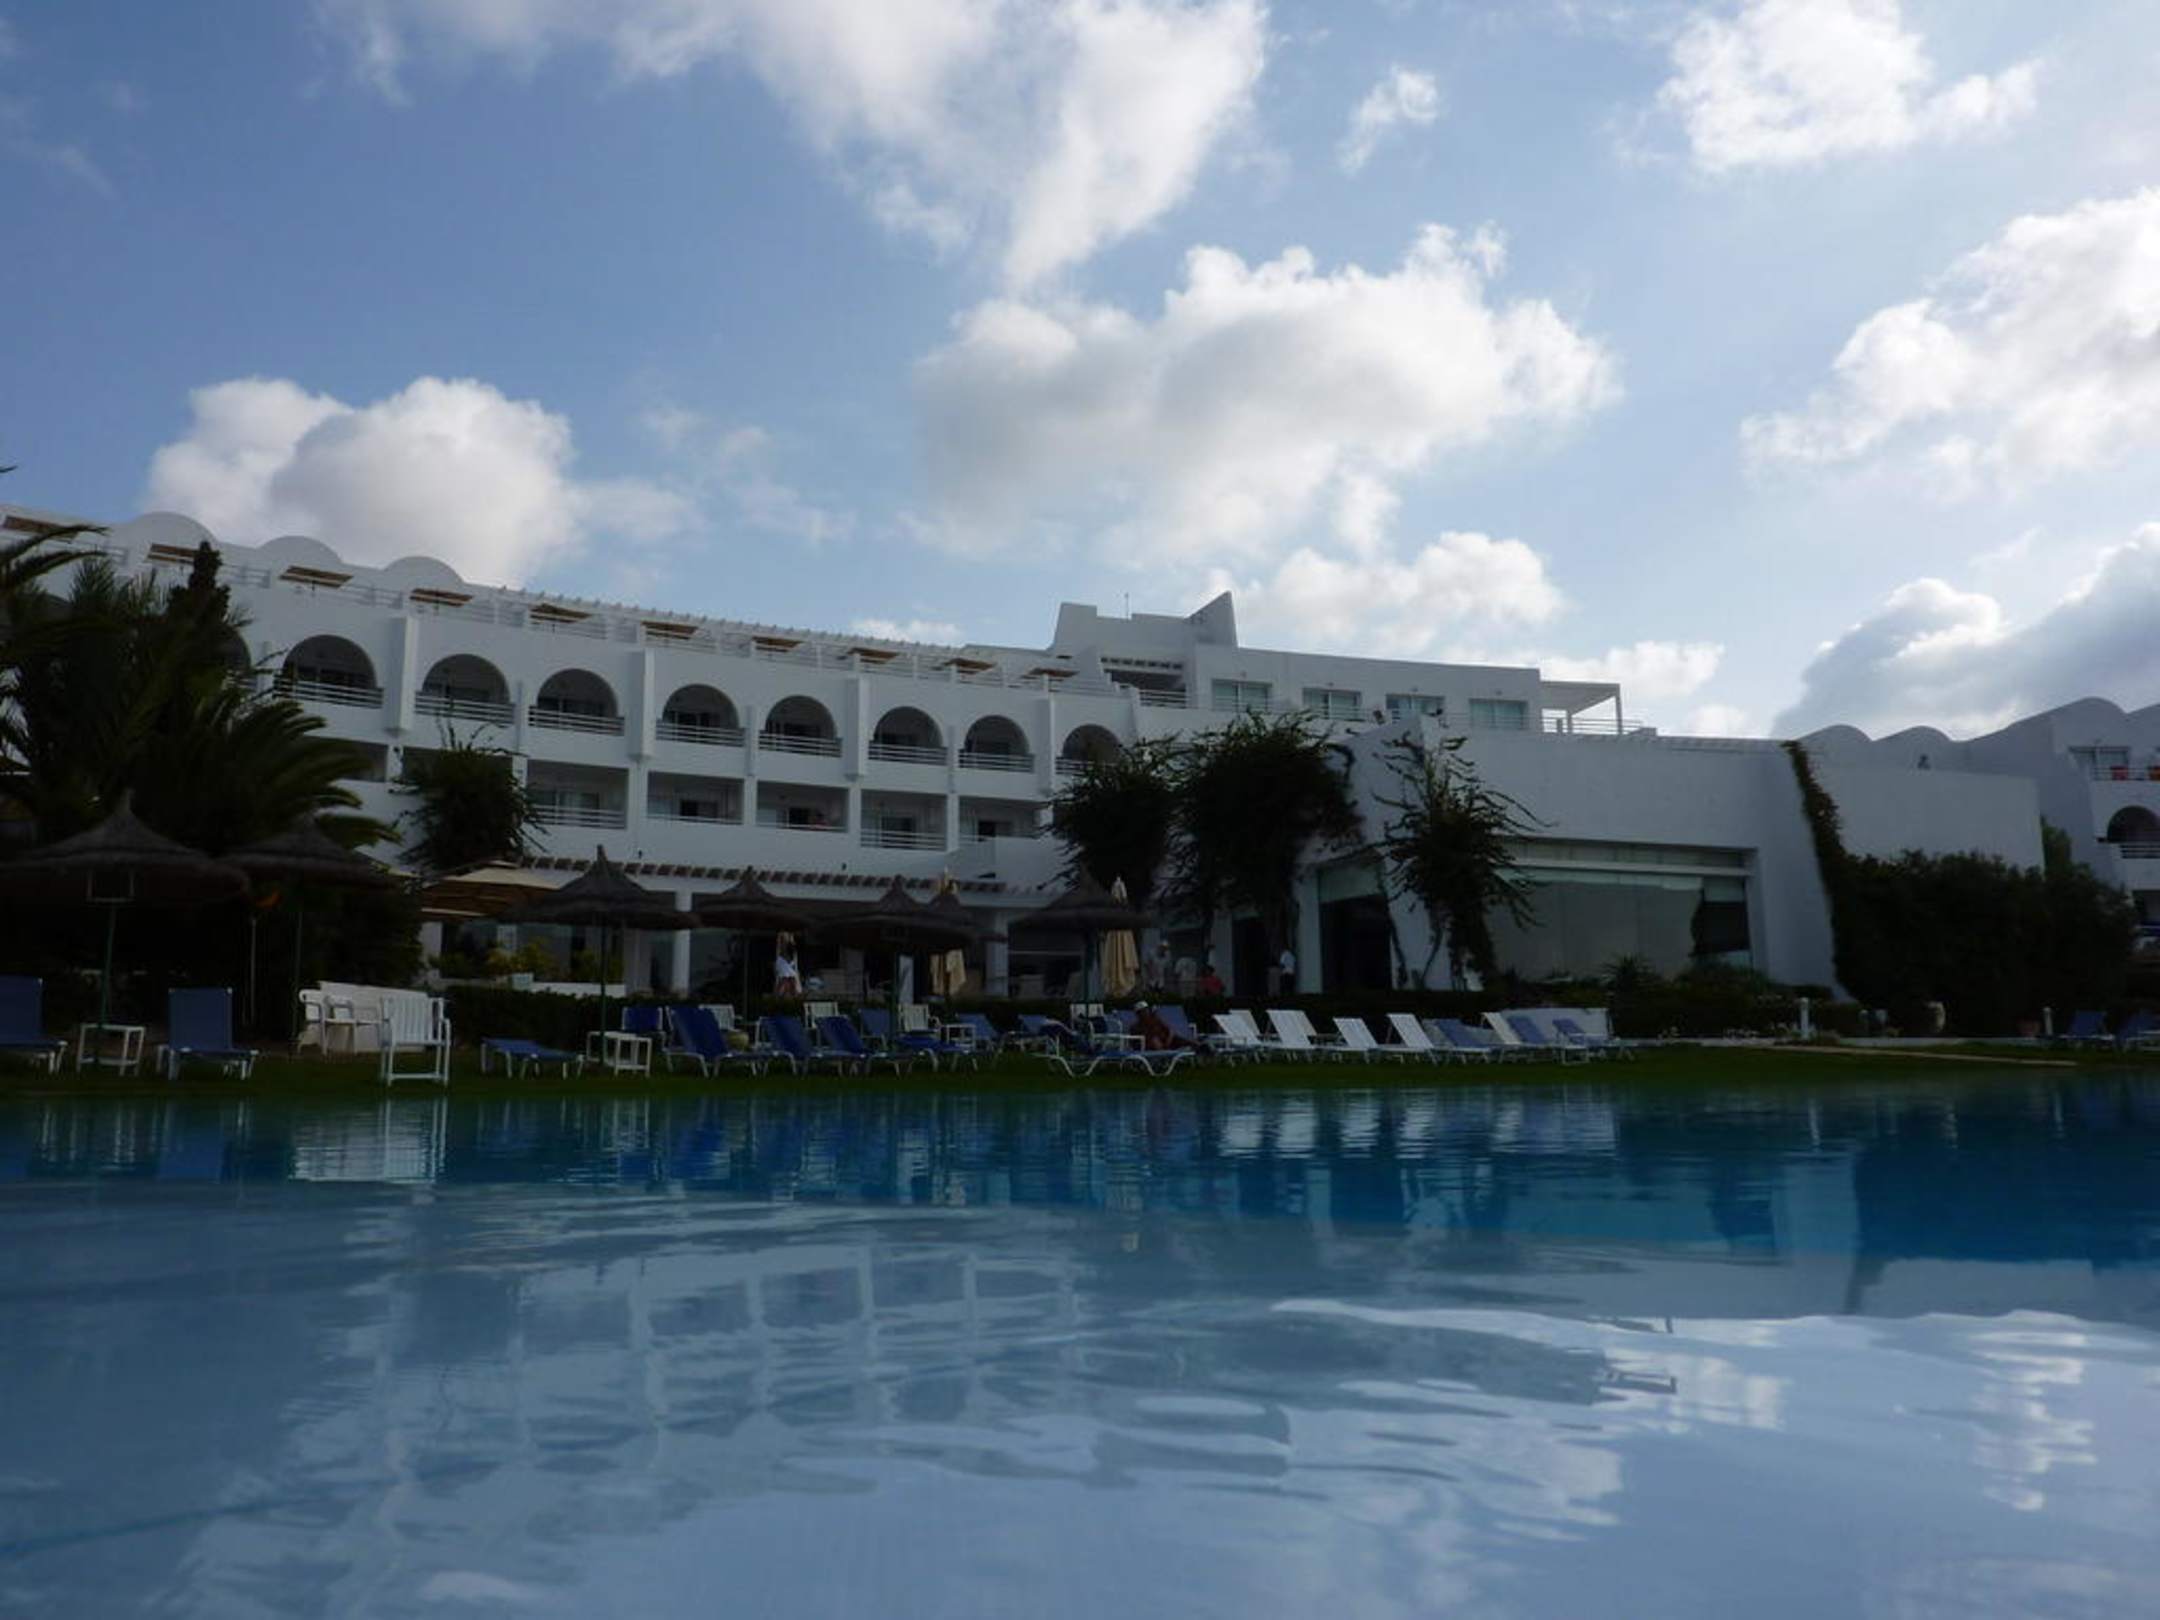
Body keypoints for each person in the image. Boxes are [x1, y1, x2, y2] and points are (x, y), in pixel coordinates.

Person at [773, 934, 803, 1000]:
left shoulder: (780, 991)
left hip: (783, 970)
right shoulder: (797, 989)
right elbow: (797, 973)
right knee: (791, 954)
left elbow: (777, 979)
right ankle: (790, 937)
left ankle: (785, 937)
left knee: (781, 951)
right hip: (790, 970)